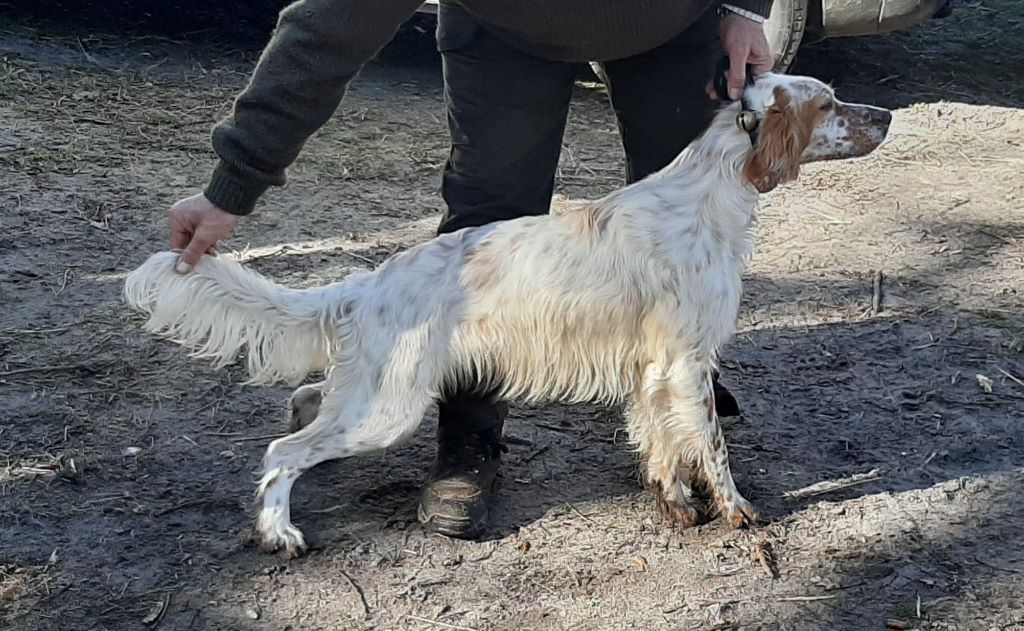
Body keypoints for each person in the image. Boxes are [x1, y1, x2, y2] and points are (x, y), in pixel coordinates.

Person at [167, 0, 774, 540]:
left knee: (688, 218)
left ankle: (681, 386)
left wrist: (746, 7)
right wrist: (233, 185)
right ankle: (468, 432)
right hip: (502, 31)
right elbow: (329, 25)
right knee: (486, 216)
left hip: (670, 23)